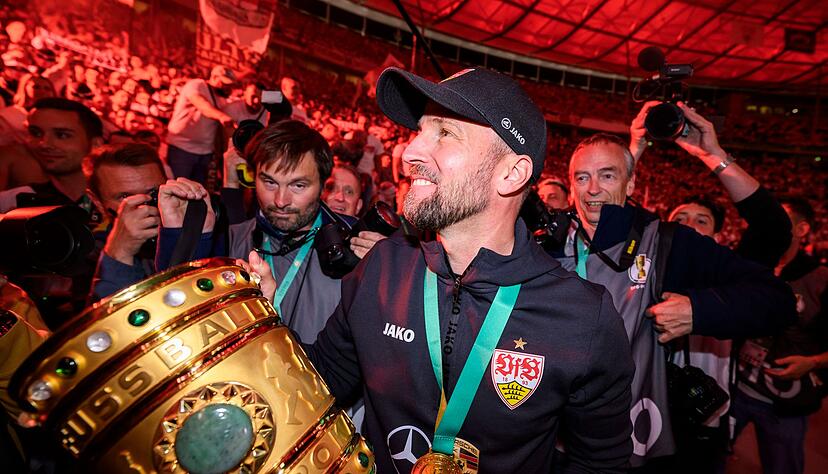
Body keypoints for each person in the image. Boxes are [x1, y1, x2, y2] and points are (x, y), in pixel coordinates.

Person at [248, 67, 636, 472]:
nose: (410, 152)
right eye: (419, 131)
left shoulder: (582, 316)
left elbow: (601, 465)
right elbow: (317, 385)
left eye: (445, 133)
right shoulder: (381, 268)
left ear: (512, 173)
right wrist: (263, 326)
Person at [555, 131, 796, 470]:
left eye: (607, 175)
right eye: (582, 177)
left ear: (632, 183)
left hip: (631, 439)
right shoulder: (548, 243)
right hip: (553, 437)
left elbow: (778, 300)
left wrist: (699, 310)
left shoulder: (667, 243)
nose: (593, 188)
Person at [648, 101, 793, 473]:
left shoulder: (730, 273)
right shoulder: (644, 268)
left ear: (717, 235)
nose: (690, 226)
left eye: (702, 221)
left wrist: (713, 155)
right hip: (637, 416)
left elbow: (773, 229)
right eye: (680, 219)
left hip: (703, 426)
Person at [155, 120, 381, 344]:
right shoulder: (230, 239)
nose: (281, 201)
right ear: (254, 178)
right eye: (270, 183)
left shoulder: (358, 244)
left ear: (323, 185)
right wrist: (182, 234)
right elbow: (176, 318)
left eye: (298, 185)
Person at [731, 196, 828, 474]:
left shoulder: (819, 278)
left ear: (802, 230)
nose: (769, 224)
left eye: (779, 218)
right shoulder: (749, 264)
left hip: (784, 404)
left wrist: (813, 362)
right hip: (735, 390)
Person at [85, 143, 167, 301]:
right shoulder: (90, 257)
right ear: (97, 202)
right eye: (125, 197)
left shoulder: (196, 232)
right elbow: (106, 324)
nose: (144, 207)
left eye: (153, 193)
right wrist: (119, 254)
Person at [0, 98, 103, 216]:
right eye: (36, 133)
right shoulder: (12, 203)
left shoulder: (119, 199)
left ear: (95, 144)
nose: (44, 144)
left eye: (62, 135)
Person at [165, 65, 236, 183]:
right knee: (178, 187)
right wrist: (221, 116)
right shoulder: (196, 85)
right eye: (224, 83)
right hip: (182, 147)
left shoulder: (222, 98)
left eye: (229, 84)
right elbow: (202, 104)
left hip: (205, 151)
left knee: (198, 192)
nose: (227, 87)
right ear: (214, 77)